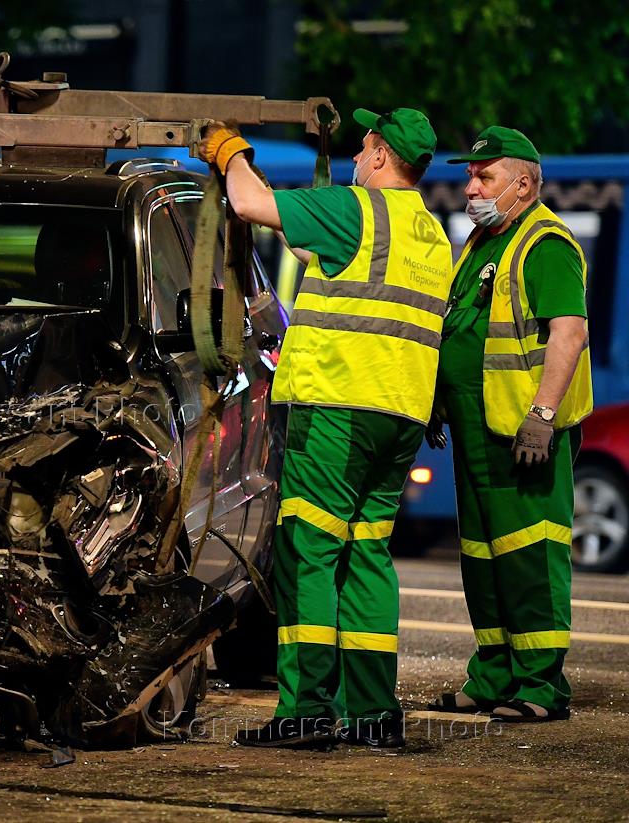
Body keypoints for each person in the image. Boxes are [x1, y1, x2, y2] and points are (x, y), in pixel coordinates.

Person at [197, 108, 453, 748]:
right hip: (400, 414)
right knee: (367, 553)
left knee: (309, 551)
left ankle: (307, 710)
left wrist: (229, 151)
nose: (356, 156)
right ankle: (373, 714)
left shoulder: (354, 208)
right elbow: (316, 249)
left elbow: (248, 203)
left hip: (337, 407)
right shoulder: (428, 232)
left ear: (381, 154)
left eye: (363, 146)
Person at [427, 127, 591, 722]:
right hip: (478, 428)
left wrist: (542, 417)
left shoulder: (545, 243)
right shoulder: (483, 242)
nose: (470, 187)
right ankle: (493, 675)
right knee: (483, 557)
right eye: (470, 176)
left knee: (529, 556)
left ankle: (542, 687)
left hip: (523, 434)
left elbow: (569, 334)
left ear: (522, 184)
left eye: (484, 176)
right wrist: (438, 399)